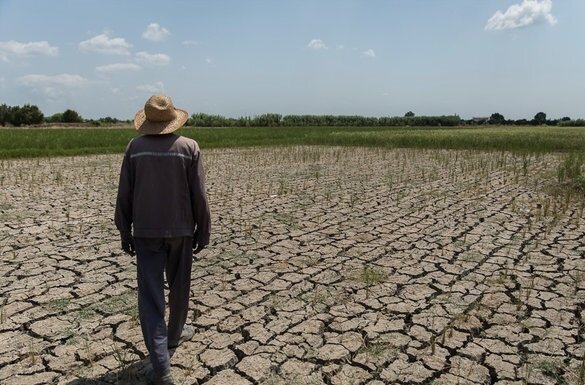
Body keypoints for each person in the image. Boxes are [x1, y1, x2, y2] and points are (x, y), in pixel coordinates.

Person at [114, 94, 211, 385]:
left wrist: (124, 230)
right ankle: (173, 335)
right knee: (180, 287)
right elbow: (200, 195)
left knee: (152, 299)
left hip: (145, 233)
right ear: (172, 120)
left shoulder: (135, 148)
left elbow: (124, 194)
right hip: (181, 231)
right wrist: (203, 230)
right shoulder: (188, 147)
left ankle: (161, 366)